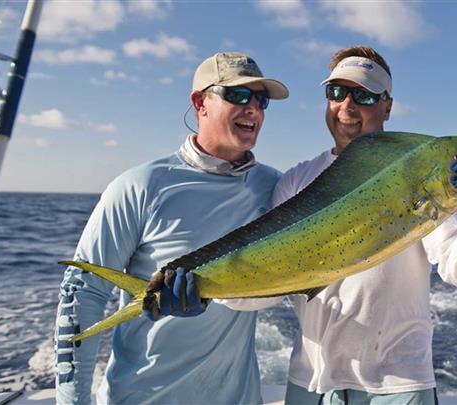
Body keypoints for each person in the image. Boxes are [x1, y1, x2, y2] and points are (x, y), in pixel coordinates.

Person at [160, 45, 457, 404]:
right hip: (311, 383)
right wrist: (209, 292)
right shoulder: (297, 182)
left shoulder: (418, 174)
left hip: (396, 385)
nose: (347, 106)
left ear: (388, 106)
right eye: (336, 92)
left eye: (363, 95)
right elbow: (274, 281)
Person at [54, 52, 289, 404]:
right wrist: (72, 400)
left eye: (261, 99)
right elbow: (84, 293)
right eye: (237, 95)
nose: (253, 108)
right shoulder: (141, 186)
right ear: (200, 103)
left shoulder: (276, 189)